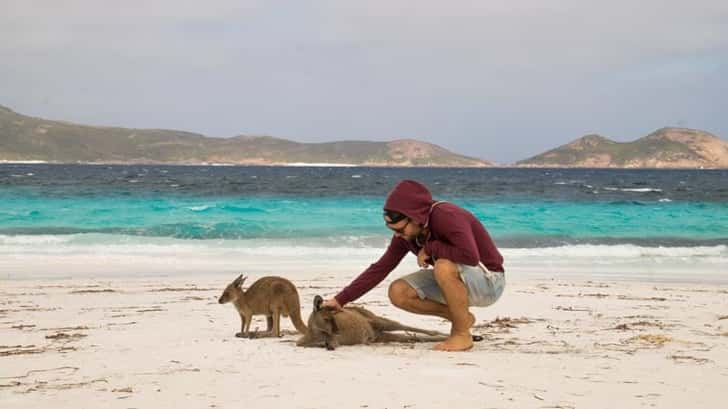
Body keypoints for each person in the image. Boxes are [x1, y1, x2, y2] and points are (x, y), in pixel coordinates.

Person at [322, 179, 505, 351]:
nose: (397, 235)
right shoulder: (406, 235)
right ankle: (462, 319)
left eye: (400, 229)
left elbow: (470, 256)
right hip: (457, 281)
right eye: (392, 230)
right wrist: (340, 300)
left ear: (416, 217)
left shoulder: (447, 215)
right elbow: (380, 268)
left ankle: (461, 334)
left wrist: (430, 247)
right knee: (398, 291)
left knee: (443, 265)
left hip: (489, 281)